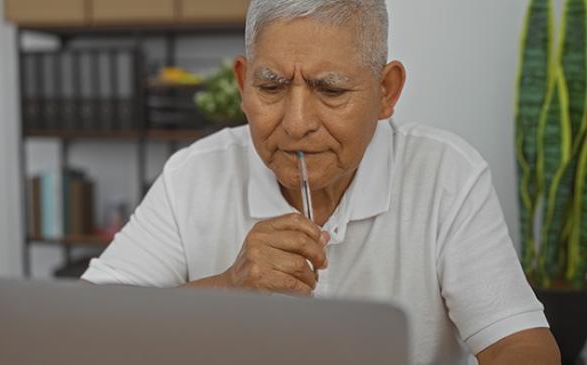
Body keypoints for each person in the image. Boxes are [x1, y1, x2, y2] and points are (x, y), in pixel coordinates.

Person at [82, 0, 560, 363]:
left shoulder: (446, 174)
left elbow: (522, 345)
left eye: (330, 90)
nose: (295, 123)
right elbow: (87, 328)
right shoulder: (193, 174)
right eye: (271, 87)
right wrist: (227, 288)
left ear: (386, 91)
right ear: (244, 83)